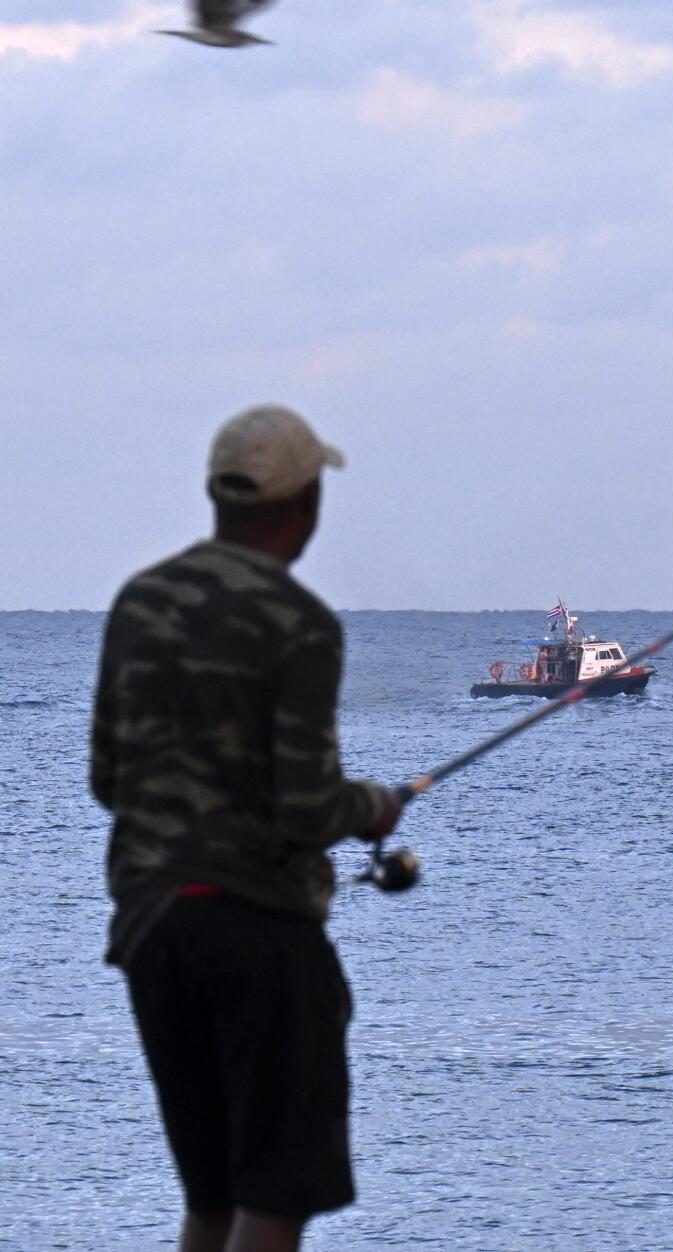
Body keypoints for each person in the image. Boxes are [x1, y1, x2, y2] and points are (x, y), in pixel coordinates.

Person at [91, 406, 406, 1251]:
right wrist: (372, 808)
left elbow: (107, 780)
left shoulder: (139, 602)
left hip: (153, 928)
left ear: (217, 495)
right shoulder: (299, 623)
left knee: (212, 1196)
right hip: (259, 935)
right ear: (306, 503)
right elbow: (307, 806)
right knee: (272, 1199)